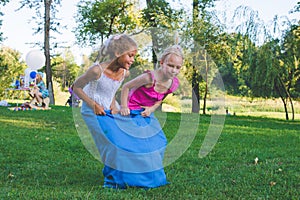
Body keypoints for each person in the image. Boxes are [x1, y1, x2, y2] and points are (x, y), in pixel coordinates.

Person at [100, 45, 183, 189]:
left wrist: (151, 109)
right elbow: (126, 87)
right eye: (170, 65)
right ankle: (125, 177)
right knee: (133, 145)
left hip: (145, 113)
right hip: (132, 111)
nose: (174, 70)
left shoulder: (173, 83)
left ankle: (148, 176)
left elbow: (160, 99)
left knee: (159, 142)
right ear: (162, 62)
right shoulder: (148, 77)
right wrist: (124, 106)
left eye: (178, 67)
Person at [72, 34, 138, 188]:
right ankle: (111, 179)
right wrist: (93, 104)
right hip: (91, 110)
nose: (132, 60)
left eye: (134, 56)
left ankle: (122, 173)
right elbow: (76, 87)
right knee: (109, 143)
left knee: (122, 139)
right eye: (130, 55)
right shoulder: (96, 70)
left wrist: (114, 105)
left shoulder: (124, 73)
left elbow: (111, 90)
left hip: (110, 108)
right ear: (117, 54)